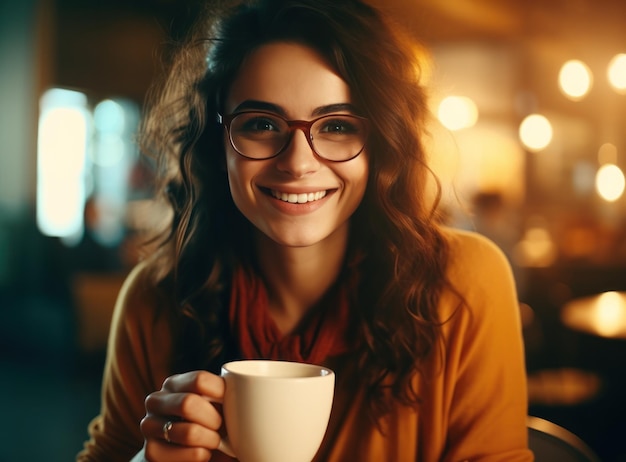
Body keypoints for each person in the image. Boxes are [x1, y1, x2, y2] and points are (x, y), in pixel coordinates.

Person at [77, 0, 532, 460]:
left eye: (336, 125)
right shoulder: (156, 299)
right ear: (218, 146)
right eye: (261, 124)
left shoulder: (464, 283)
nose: (297, 162)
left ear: (382, 144)